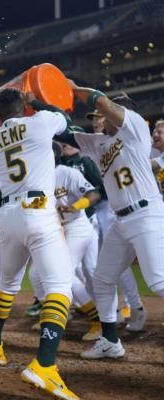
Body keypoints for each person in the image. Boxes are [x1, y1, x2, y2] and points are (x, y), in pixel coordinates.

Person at [0, 88, 79, 400]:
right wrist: (35, 101)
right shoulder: (40, 121)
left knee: (7, 282)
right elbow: (66, 121)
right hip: (38, 210)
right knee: (60, 287)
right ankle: (44, 365)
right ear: (22, 106)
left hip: (8, 215)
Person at [56, 83, 164, 360]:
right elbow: (65, 132)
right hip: (121, 220)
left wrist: (73, 88)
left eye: (113, 110)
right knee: (103, 279)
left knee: (158, 282)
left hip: (145, 213)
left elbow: (104, 104)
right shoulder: (99, 142)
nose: (103, 116)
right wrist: (44, 106)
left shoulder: (136, 128)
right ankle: (110, 341)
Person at [29, 142, 102, 341]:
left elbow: (94, 193)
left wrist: (77, 205)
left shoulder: (66, 172)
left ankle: (97, 321)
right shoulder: (36, 178)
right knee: (36, 273)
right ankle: (57, 314)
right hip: (56, 230)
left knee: (64, 274)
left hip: (77, 227)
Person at [85, 110, 146, 330]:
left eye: (99, 117)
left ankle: (133, 305)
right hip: (105, 207)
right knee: (108, 265)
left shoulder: (118, 140)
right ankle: (121, 309)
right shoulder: (95, 143)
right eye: (93, 118)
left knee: (131, 266)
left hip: (119, 204)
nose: (96, 121)